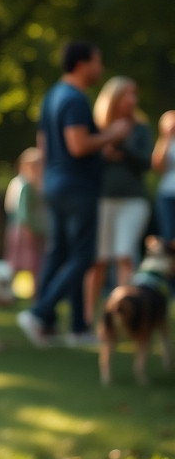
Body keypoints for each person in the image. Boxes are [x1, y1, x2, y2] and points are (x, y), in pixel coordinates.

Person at [17, 41, 132, 348]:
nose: (101, 68)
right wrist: (112, 134)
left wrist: (46, 178)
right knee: (83, 255)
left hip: (56, 182)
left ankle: (62, 325)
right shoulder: (75, 99)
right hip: (77, 186)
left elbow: (44, 142)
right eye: (97, 62)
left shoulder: (53, 95)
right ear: (82, 64)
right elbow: (78, 145)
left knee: (60, 252)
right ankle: (40, 313)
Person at [83, 76, 153, 332]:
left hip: (133, 200)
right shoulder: (96, 127)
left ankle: (127, 314)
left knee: (124, 255)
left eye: (134, 94)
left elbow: (147, 163)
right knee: (98, 260)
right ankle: (89, 319)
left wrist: (121, 144)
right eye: (127, 94)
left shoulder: (141, 128)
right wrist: (105, 149)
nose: (132, 100)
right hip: (102, 200)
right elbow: (86, 161)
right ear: (114, 98)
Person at [3, 147, 47, 294]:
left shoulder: (36, 184)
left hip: (32, 228)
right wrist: (27, 227)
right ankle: (6, 291)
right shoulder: (23, 184)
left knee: (36, 264)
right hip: (24, 229)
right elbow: (19, 209)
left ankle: (36, 294)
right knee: (17, 263)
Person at [155, 110, 175, 247]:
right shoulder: (164, 143)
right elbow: (158, 166)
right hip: (167, 193)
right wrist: (166, 138)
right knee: (169, 235)